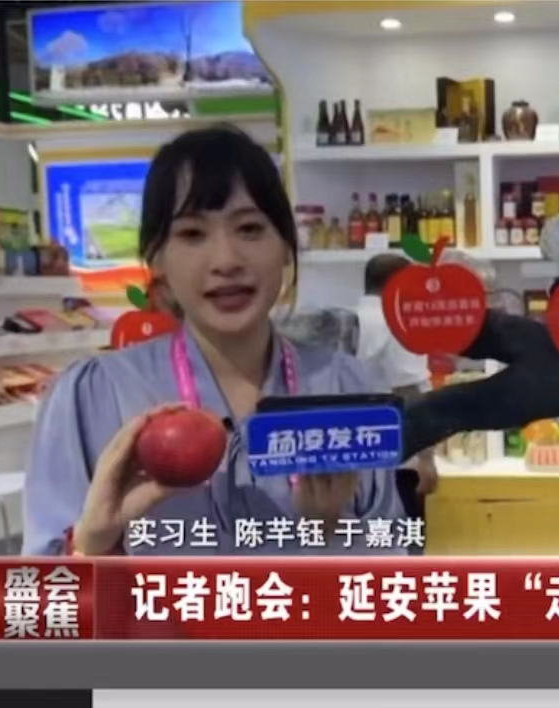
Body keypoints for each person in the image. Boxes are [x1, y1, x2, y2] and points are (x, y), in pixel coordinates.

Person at [22, 125, 406, 556]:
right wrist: (90, 544)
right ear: (157, 258)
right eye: (192, 234)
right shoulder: (97, 396)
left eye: (250, 229)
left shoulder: (345, 389)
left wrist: (329, 536)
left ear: (286, 246)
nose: (226, 260)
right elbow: (43, 591)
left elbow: (391, 570)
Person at [355, 254, 438, 552]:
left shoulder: (350, 320)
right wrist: (427, 460)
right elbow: (411, 392)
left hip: (354, 460)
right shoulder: (397, 322)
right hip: (398, 463)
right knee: (404, 552)